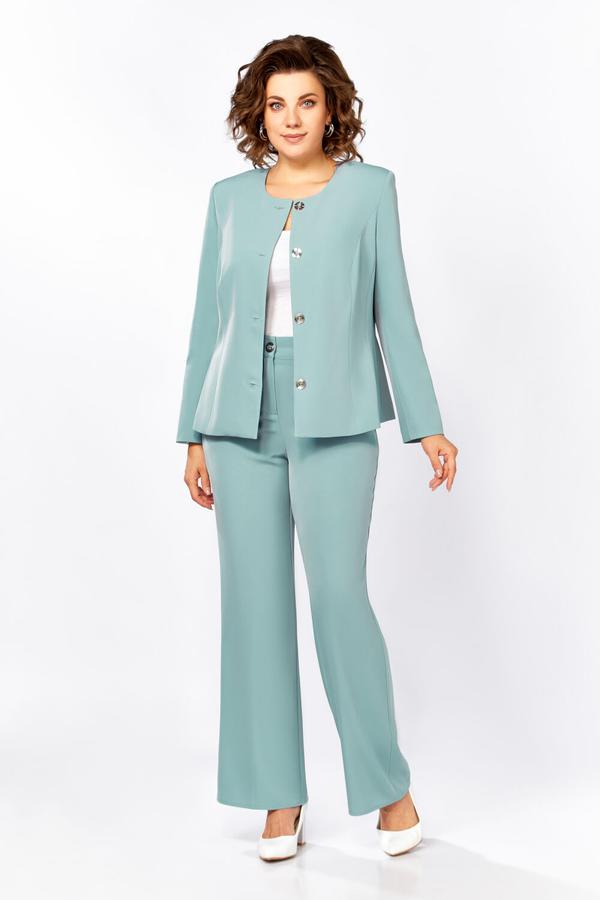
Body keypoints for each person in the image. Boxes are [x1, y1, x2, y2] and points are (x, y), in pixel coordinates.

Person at [176, 34, 458, 861]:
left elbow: (393, 308)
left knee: (338, 598)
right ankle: (278, 798)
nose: (291, 118)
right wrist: (192, 432)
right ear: (257, 114)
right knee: (254, 609)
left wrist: (425, 421)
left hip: (336, 415)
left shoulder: (370, 190)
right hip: (237, 420)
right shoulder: (229, 198)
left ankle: (389, 789)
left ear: (332, 108)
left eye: (306, 101)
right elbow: (207, 322)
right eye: (276, 104)